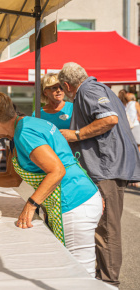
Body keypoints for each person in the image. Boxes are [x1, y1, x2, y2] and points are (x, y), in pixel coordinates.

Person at [0, 91, 102, 277]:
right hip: (80, 197)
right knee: (70, 269)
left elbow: (57, 170)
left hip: (73, 201)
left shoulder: (25, 133)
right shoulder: (22, 128)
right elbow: (13, 179)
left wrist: (31, 204)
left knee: (80, 273)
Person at [58, 62, 140, 287]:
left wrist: (76, 134)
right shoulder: (100, 88)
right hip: (110, 166)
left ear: (66, 85)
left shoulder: (88, 90)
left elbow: (109, 119)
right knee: (104, 226)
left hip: (106, 168)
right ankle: (103, 277)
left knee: (106, 228)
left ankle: (108, 281)